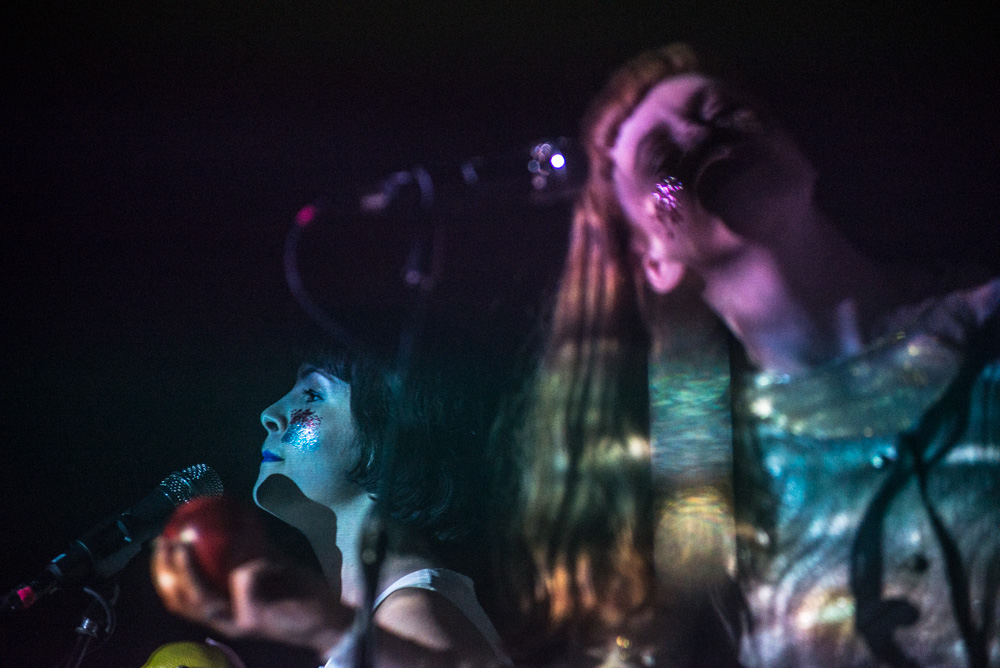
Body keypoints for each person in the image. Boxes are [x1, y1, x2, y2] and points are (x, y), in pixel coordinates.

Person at [518, 43, 1000, 666]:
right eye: (661, 159)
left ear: (798, 148)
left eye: (722, 110)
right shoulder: (701, 495)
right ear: (653, 262)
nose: (699, 133)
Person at [152, 339, 513, 668]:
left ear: (389, 435)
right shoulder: (389, 617)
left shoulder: (409, 617)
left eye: (312, 394)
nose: (270, 414)